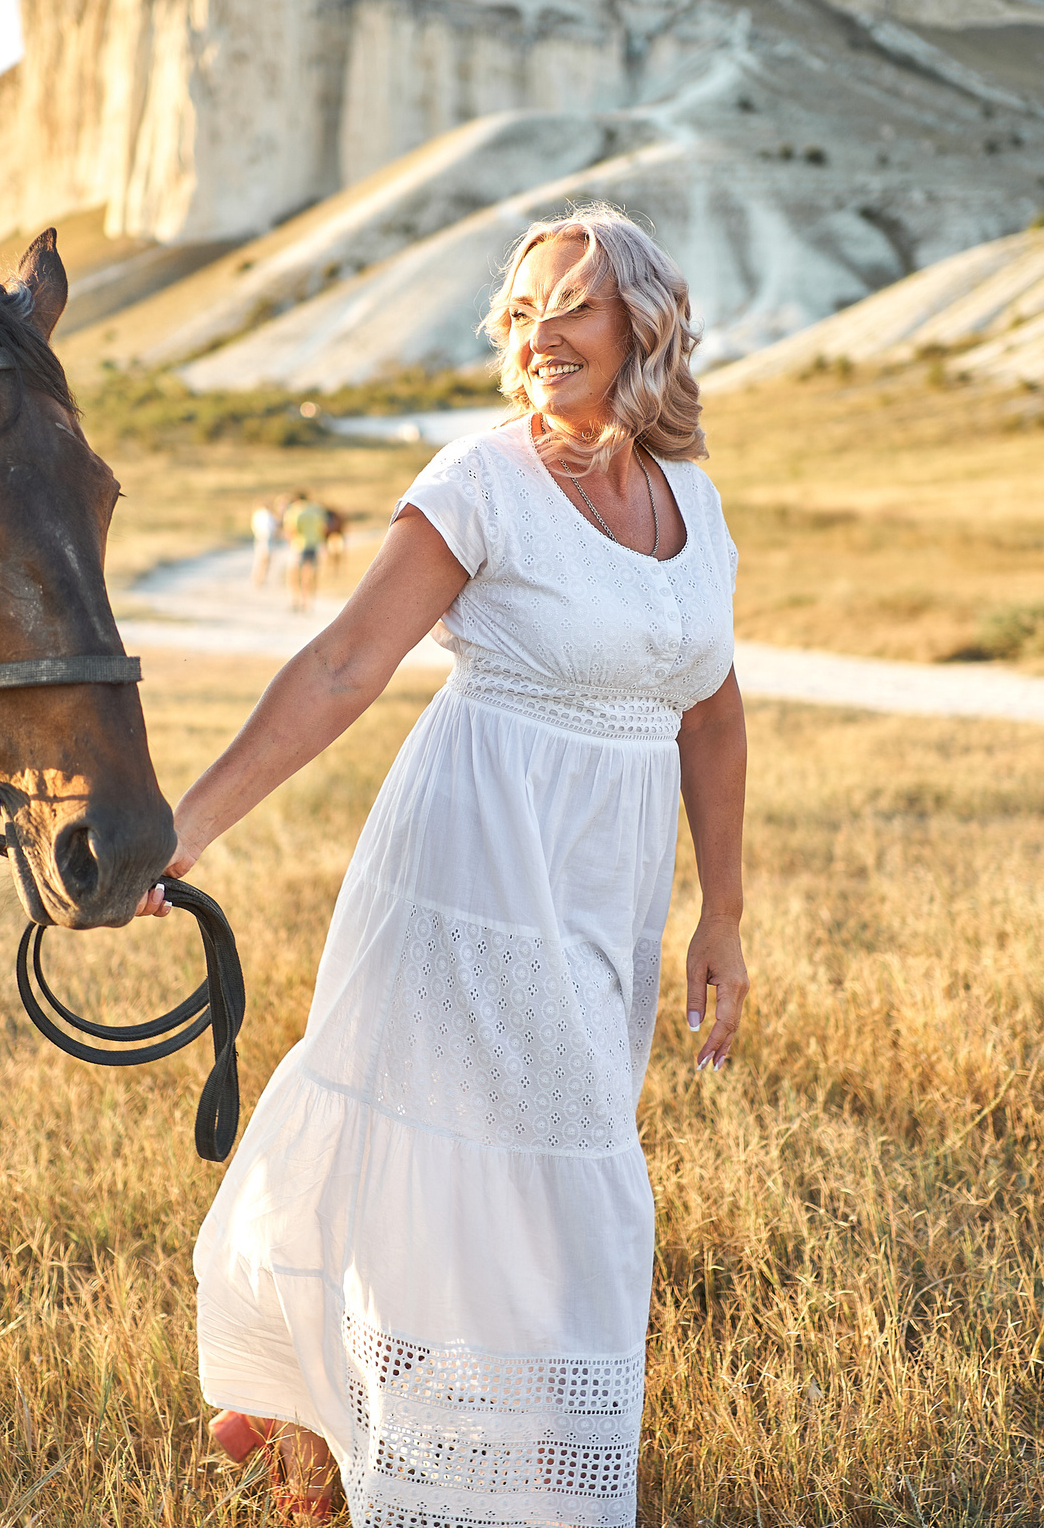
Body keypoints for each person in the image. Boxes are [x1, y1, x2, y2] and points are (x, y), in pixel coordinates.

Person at [144, 202, 748, 1524]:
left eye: (570, 306)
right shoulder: (484, 479)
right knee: (514, 1171)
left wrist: (724, 911)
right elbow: (347, 661)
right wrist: (187, 824)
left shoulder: (691, 498)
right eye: (521, 313)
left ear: (641, 320)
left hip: (606, 886)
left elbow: (709, 702)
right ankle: (438, 1468)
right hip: (471, 862)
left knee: (548, 1167)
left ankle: (388, 1440)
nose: (539, 336)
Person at [284, 491, 329, 614]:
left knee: (293, 573)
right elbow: (323, 528)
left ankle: (294, 600)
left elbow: (291, 529)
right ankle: (307, 601)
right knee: (309, 573)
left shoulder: (294, 509)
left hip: (298, 545)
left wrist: (289, 541)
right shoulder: (316, 509)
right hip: (313, 545)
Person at [251, 497, 281, 587]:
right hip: (267, 538)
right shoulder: (267, 514)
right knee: (265, 559)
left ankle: (258, 578)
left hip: (259, 537)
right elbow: (273, 527)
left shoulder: (256, 514)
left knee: (259, 558)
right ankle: (260, 578)